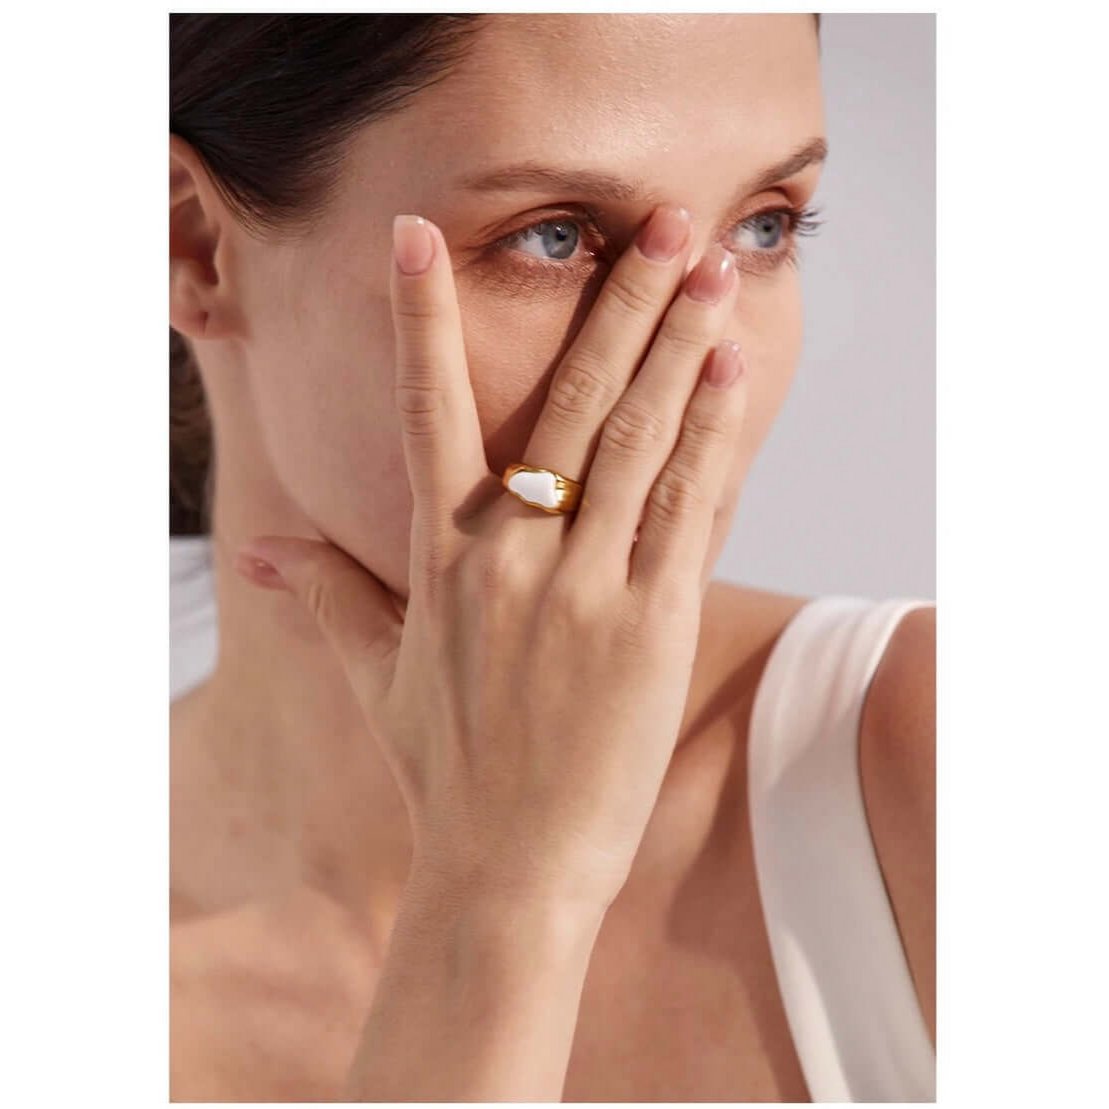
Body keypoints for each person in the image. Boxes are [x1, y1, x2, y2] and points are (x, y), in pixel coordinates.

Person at [169, 13, 935, 1102]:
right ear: (193, 245)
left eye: (765, 226)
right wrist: (502, 895)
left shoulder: (935, 760)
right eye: (554, 237)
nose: (703, 360)